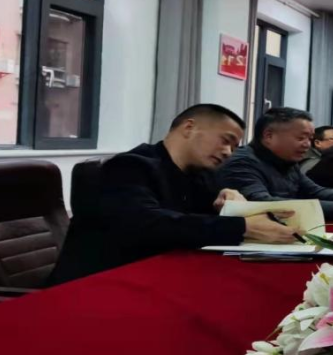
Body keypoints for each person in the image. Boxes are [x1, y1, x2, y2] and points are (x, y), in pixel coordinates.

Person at [48, 104, 296, 286]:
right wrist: (243, 226)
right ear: (189, 127)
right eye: (225, 140)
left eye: (234, 147)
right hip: (97, 284)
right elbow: (150, 225)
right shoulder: (129, 167)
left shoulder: (198, 174)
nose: (228, 152)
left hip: (156, 275)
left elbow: (201, 220)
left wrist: (230, 201)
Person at [218, 107, 333, 221]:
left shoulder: (287, 160)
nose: (307, 145)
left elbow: (315, 191)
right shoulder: (242, 162)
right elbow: (261, 203)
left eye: (309, 139)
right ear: (269, 136)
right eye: (300, 138)